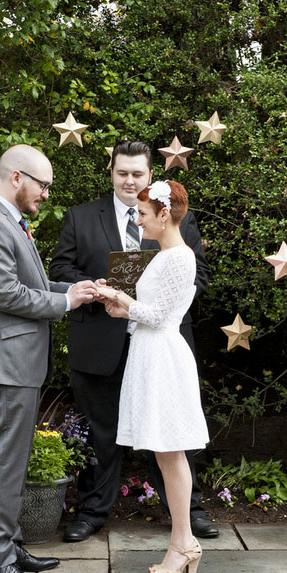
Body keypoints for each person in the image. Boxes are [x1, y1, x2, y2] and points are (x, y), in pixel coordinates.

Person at [49, 139, 218, 542]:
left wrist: (162, 301)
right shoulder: (80, 216)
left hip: (159, 343)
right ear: (110, 172)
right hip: (99, 342)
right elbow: (60, 267)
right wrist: (92, 288)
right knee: (99, 431)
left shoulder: (173, 218)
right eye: (122, 172)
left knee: (169, 432)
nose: (129, 180)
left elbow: (200, 273)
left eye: (137, 173)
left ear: (150, 176)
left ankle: (186, 512)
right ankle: (91, 512)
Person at [0, 145, 97, 573]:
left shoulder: (11, 222)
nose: (46, 194)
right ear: (17, 177)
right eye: (43, 185)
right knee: (4, 462)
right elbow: (5, 295)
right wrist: (65, 303)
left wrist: (71, 288)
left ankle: (10, 546)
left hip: (18, 362)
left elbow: (31, 286)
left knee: (15, 460)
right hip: (6, 363)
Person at [98, 179, 209, 573]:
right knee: (164, 453)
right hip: (149, 354)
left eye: (144, 214)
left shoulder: (180, 257)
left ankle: (184, 542)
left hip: (163, 357)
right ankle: (183, 542)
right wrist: (121, 308)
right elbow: (150, 309)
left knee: (171, 451)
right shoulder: (161, 255)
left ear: (164, 215)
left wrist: (126, 301)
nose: (139, 220)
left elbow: (161, 317)